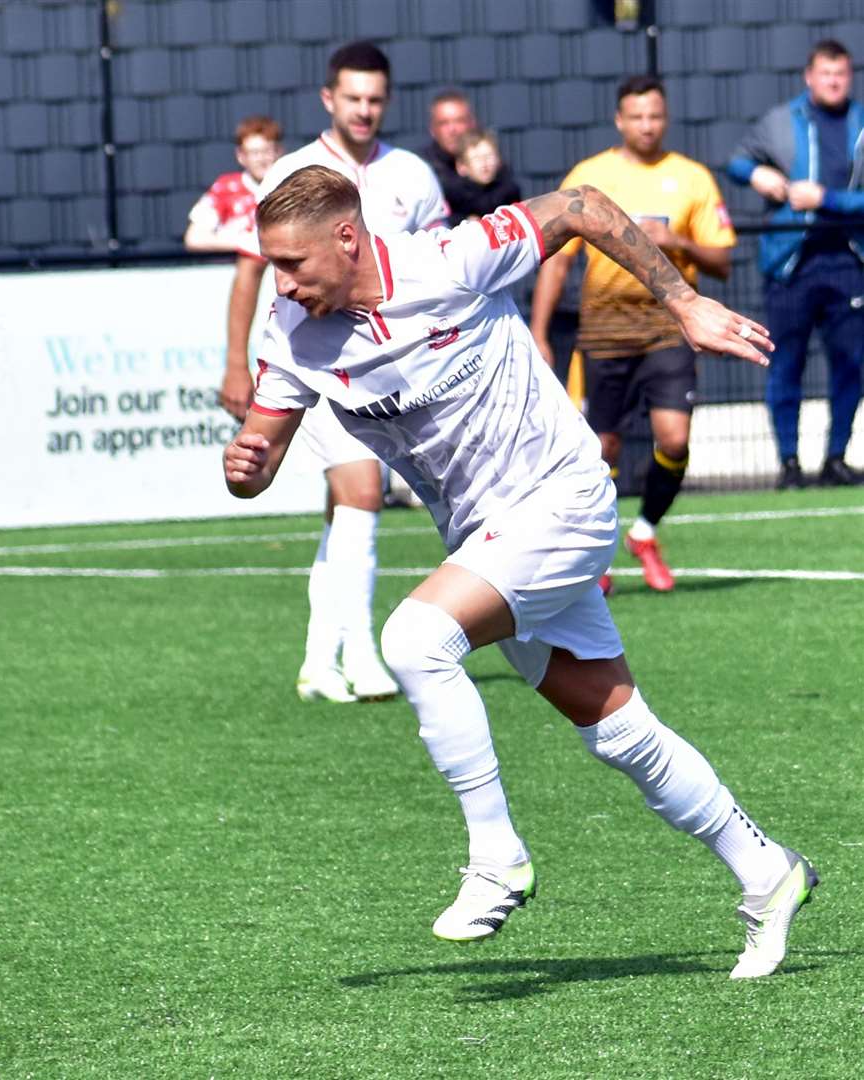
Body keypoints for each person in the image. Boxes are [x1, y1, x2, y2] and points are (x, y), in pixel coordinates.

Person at [224, 165, 816, 978]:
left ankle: (497, 856)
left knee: (415, 638)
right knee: (619, 733)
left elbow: (583, 208)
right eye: (273, 267)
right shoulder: (291, 334)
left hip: (562, 501)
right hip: (489, 539)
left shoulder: (451, 261)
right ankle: (767, 872)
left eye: (292, 264)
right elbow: (255, 464)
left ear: (348, 237)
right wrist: (245, 464)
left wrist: (683, 304)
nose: (280, 284)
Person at [221, 40, 447, 705]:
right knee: (361, 490)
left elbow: (433, 267)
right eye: (353, 98)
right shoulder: (293, 171)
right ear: (329, 99)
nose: (365, 110)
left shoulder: (413, 175)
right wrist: (238, 363)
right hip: (313, 360)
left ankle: (321, 659)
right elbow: (248, 273)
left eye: (375, 99)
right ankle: (365, 652)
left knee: (344, 509)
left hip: (387, 367)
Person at [529, 75, 736, 594]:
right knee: (602, 448)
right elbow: (556, 262)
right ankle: (599, 557)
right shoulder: (590, 175)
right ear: (620, 120)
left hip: (668, 328)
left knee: (675, 438)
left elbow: (724, 261)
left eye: (655, 116)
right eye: (636, 116)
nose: (647, 125)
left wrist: (679, 240)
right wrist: (539, 329)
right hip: (603, 332)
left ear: (665, 118)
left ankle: (644, 534)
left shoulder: (692, 178)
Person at [727, 38, 864, 489]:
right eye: (826, 73)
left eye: (840, 74)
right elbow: (737, 162)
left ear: (849, 77)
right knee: (785, 362)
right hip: (790, 261)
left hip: (848, 259)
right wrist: (757, 174)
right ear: (810, 76)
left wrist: (829, 199)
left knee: (850, 364)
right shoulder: (781, 120)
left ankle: (837, 458)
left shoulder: (860, 123)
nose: (833, 81)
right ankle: (788, 463)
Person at [419, 89, 522, 223]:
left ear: (472, 123)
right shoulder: (423, 169)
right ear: (432, 129)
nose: (452, 130)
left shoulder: (496, 166)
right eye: (444, 123)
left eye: (459, 121)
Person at [184, 116, 283, 253]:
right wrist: (246, 243)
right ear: (241, 156)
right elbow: (194, 238)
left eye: (267, 151)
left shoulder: (291, 188)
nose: (261, 159)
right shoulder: (226, 188)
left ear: (279, 151)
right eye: (254, 153)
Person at [451, 130, 514, 220]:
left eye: (489, 156)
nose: (484, 163)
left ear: (498, 160)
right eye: (476, 158)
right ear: (461, 166)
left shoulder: (509, 190)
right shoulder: (454, 196)